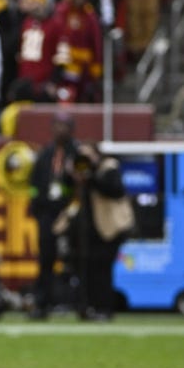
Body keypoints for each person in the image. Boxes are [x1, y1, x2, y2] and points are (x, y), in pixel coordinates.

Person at [52, 143, 133, 320]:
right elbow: (65, 191)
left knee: (102, 271)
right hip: (86, 231)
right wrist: (70, 172)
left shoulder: (109, 168)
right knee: (85, 270)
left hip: (108, 229)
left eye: (88, 157)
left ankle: (104, 308)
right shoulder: (79, 173)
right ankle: (87, 307)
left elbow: (115, 191)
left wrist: (91, 176)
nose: (84, 162)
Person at [28, 112, 80, 319]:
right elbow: (35, 183)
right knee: (46, 259)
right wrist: (38, 208)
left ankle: (77, 303)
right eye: (57, 125)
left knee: (74, 259)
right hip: (47, 213)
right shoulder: (46, 153)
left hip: (69, 213)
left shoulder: (76, 152)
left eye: (65, 125)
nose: (61, 129)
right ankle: (42, 304)